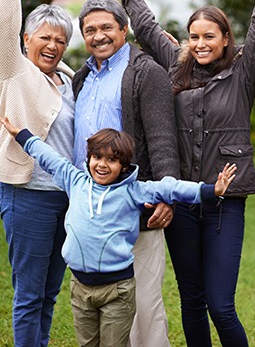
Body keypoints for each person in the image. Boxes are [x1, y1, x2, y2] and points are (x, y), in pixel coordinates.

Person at [93, 0, 254, 347]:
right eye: (194, 36)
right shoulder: (176, 65)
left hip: (224, 204)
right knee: (192, 301)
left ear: (225, 39)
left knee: (220, 304)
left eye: (209, 37)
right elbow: (145, 24)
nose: (199, 44)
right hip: (183, 200)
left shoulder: (243, 73)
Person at [0, 116, 236, 347]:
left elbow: (169, 188)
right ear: (89, 158)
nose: (102, 164)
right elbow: (48, 157)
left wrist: (210, 190)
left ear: (123, 166)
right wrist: (21, 135)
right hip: (80, 288)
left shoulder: (133, 191)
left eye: (111, 160)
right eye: (96, 157)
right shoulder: (75, 181)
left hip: (117, 291)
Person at [72, 0, 180, 347]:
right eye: (90, 30)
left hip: (137, 206)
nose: (98, 35)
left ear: (124, 28)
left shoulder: (145, 71)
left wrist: (166, 195)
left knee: (144, 304)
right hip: (93, 211)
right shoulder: (83, 76)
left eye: (106, 27)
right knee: (102, 310)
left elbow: (163, 137)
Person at [0, 0, 75, 347]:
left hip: (65, 197)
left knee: (49, 292)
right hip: (28, 193)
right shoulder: (13, 69)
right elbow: (5, 23)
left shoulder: (67, 80)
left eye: (61, 39)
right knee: (29, 294)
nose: (53, 45)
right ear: (27, 39)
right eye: (45, 36)